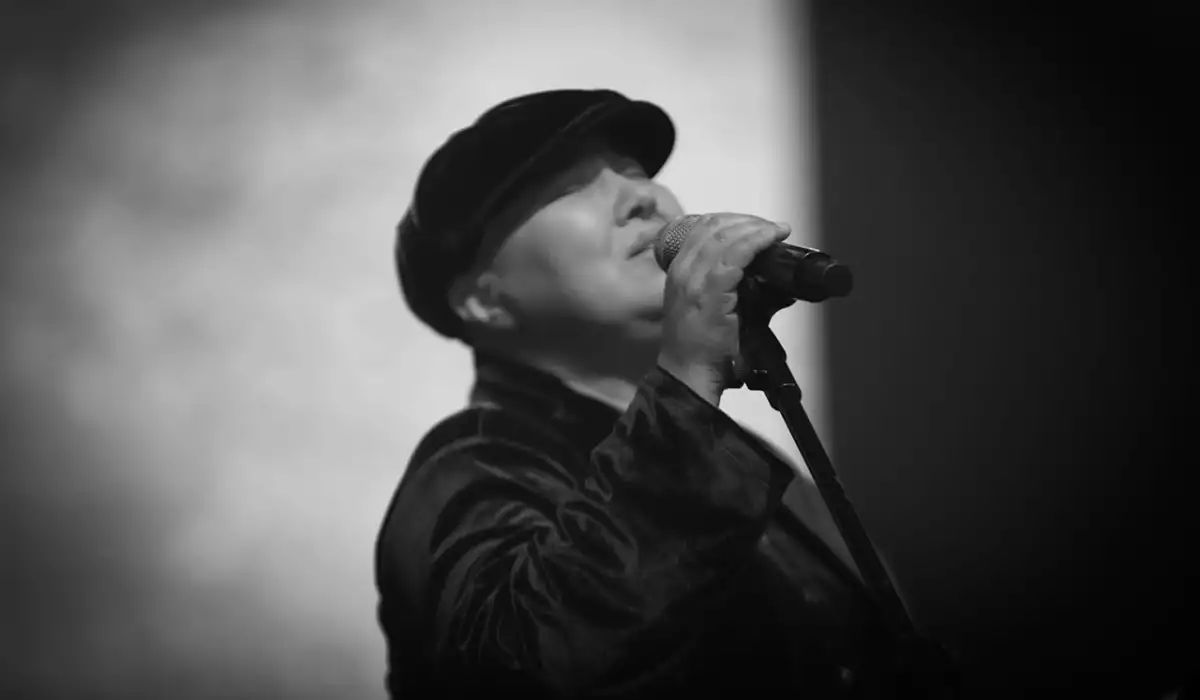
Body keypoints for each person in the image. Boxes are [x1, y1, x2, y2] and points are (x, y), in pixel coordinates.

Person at [375, 88, 952, 698]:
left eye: (634, 172)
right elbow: (532, 672)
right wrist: (687, 377)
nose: (641, 197)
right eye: (571, 186)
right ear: (485, 300)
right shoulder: (471, 464)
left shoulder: (735, 459)